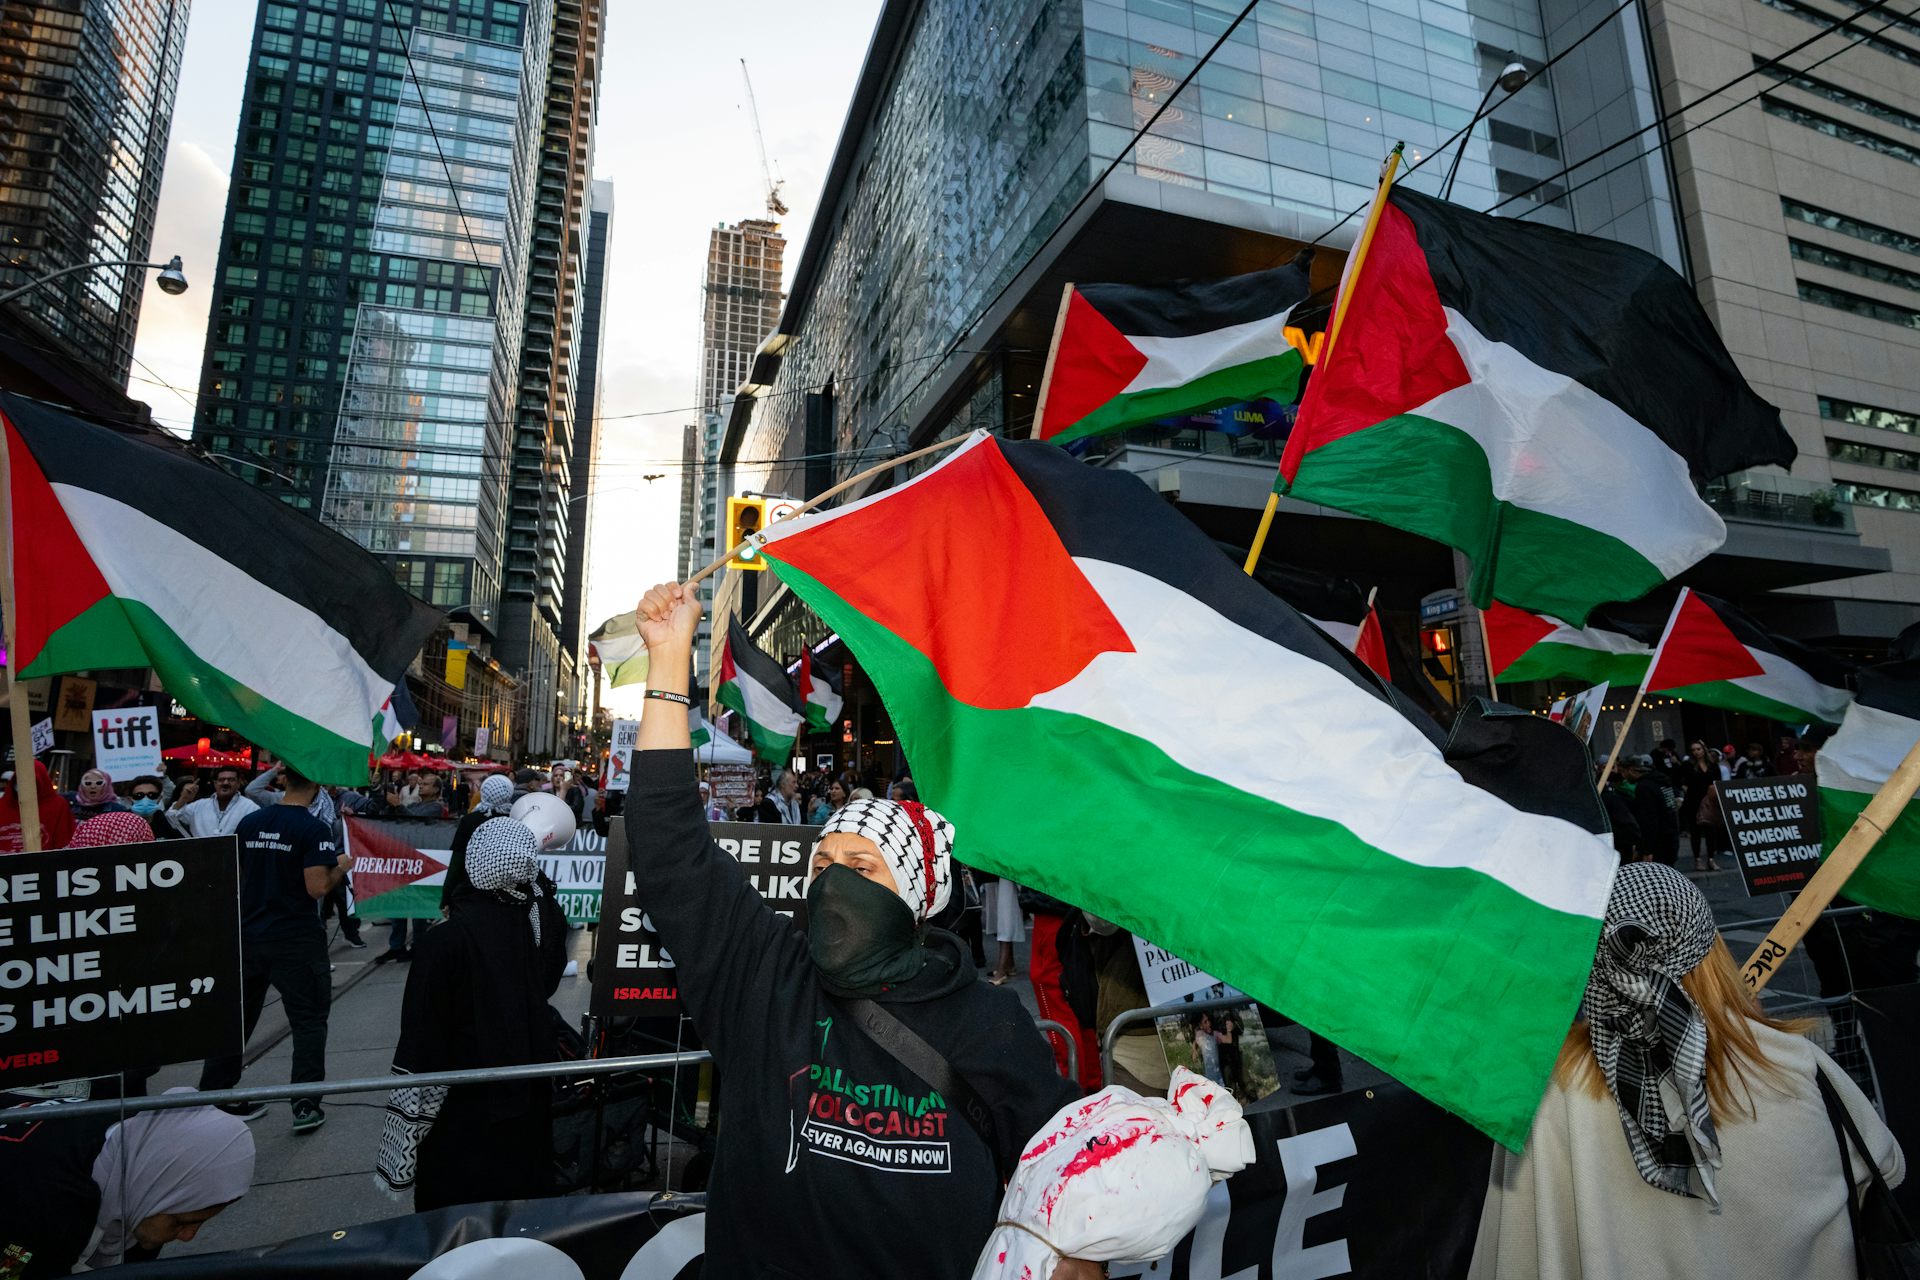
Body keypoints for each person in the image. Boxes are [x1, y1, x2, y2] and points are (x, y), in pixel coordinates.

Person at [627, 580, 1086, 1280]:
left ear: (916, 899)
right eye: (823, 863)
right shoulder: (764, 976)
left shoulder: (987, 1022)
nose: (834, 882)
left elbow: (1063, 1174)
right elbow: (668, 846)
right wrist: (667, 661)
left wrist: (1077, 1251)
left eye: (862, 869)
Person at [1467, 862, 1904, 1279]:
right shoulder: (1792, 1066)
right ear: (1712, 949)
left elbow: (1517, 1246)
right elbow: (1885, 1167)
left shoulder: (1553, 1091)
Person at [377, 818, 566, 1210]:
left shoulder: (445, 939)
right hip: (526, 1103)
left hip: (461, 1115)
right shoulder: (536, 922)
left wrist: (409, 1129)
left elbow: (421, 1037)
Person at [199, 766, 352, 1134]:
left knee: (236, 1021)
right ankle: (304, 1105)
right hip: (295, 940)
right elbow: (316, 887)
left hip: (250, 936)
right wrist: (341, 867)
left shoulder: (251, 822)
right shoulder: (313, 828)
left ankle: (213, 1095)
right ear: (316, 786)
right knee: (309, 1022)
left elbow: (234, 875)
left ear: (282, 781)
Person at [0, 1088, 256, 1275]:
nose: (188, 1236)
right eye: (181, 1222)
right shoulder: (47, 1205)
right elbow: (12, 1271)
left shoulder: (139, 1152)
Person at [440, 772, 517, 912]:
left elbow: (457, 862)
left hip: (470, 892)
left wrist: (446, 897)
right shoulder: (516, 821)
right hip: (505, 895)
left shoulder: (470, 821)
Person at [166, 766, 258, 839]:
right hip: (200, 859)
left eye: (231, 780)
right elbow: (171, 819)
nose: (225, 783)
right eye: (221, 780)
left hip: (234, 860)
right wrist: (183, 799)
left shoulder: (250, 808)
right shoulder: (199, 806)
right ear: (215, 783)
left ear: (238, 783)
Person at [1618, 755, 1679, 865]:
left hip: (1658, 844)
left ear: (1631, 770)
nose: (1623, 776)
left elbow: (1648, 821)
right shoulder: (1662, 781)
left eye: (1623, 772)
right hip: (1671, 838)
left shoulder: (1644, 787)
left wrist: (1647, 850)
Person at [0, 762, 75, 851]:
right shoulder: (3, 805)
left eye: (30, 781)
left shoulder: (57, 805)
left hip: (45, 862)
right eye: (21, 781)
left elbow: (64, 840)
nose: (24, 786)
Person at [1679, 741, 1723, 872]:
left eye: (1698, 749)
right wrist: (1684, 788)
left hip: (1709, 800)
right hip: (1693, 801)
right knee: (1696, 832)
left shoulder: (1712, 765)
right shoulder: (1688, 765)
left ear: (1704, 750)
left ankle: (1711, 859)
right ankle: (1698, 859)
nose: (1696, 752)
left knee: (1710, 831)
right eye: (1693, 750)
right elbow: (1680, 779)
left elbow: (1718, 781)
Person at [127, 774, 171, 839]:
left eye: (152, 795)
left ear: (159, 798)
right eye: (139, 795)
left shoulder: (170, 823)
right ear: (130, 799)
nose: (145, 800)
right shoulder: (119, 824)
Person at [1191, 1012, 1225, 1086]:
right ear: (1201, 1025)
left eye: (1209, 1021)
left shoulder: (1214, 1034)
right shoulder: (1200, 1034)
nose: (1209, 1023)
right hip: (1209, 1076)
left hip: (1218, 1074)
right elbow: (1195, 1040)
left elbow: (1228, 1040)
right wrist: (1194, 1051)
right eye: (1205, 1022)